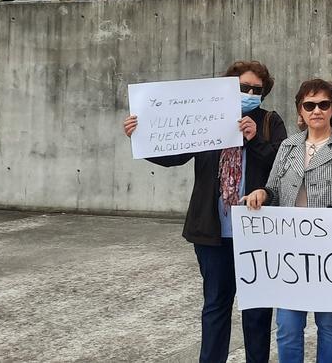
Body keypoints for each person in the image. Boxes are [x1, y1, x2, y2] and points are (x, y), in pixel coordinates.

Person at [123, 60, 287, 363]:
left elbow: (283, 163)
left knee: (257, 310)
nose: (249, 93)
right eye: (243, 87)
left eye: (256, 89)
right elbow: (176, 155)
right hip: (213, 232)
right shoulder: (206, 117)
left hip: (257, 232)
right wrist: (141, 137)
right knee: (215, 305)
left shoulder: (269, 122)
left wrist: (254, 140)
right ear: (227, 87)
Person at [241, 78, 332, 363]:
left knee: (329, 325)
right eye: (309, 105)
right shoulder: (288, 146)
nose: (316, 111)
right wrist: (261, 193)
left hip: (331, 250)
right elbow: (273, 188)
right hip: (291, 249)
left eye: (324, 104)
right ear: (300, 110)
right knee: (287, 326)